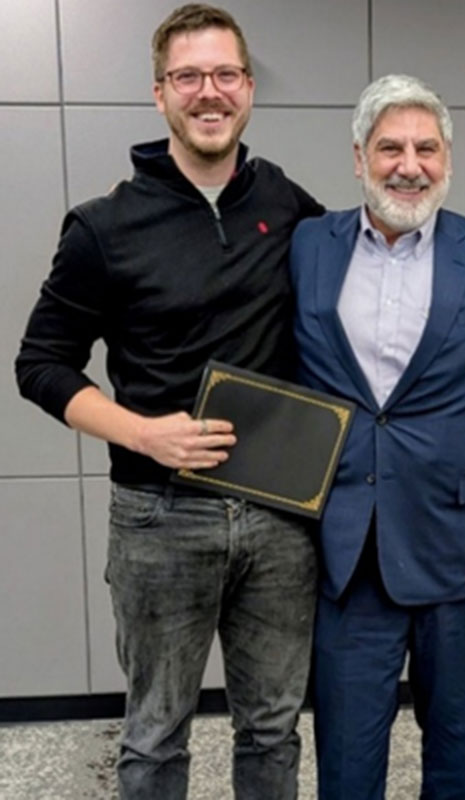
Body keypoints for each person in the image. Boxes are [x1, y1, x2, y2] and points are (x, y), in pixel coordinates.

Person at [15, 5, 325, 799]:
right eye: (188, 76)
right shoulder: (102, 227)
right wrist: (142, 434)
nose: (208, 92)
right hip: (158, 516)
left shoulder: (287, 203)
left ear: (249, 88)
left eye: (225, 74)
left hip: (280, 516)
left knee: (273, 728)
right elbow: (40, 364)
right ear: (160, 95)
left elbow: (378, 266)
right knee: (154, 738)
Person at [289, 74, 465, 800]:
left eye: (426, 148)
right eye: (389, 148)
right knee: (345, 763)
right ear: (358, 159)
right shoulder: (307, 247)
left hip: (464, 554)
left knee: (458, 750)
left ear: (447, 160)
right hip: (349, 553)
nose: (408, 164)